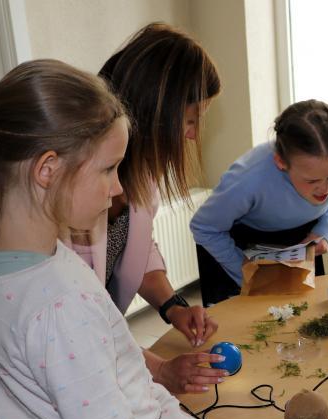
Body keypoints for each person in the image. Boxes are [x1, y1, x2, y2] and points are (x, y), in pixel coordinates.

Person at [0, 59, 326, 419]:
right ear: (48, 170)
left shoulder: (21, 259)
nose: (119, 187)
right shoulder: (57, 305)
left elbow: (121, 370)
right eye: (108, 169)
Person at [69, 22, 222, 394]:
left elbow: (136, 248)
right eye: (190, 120)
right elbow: (81, 323)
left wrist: (173, 305)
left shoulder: (139, 170)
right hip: (70, 362)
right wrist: (160, 370)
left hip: (98, 353)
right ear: (156, 112)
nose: (192, 135)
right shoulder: (77, 191)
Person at [191, 99, 328, 306]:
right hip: (237, 243)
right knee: (246, 320)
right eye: (312, 181)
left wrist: (323, 230)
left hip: (302, 239)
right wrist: (247, 274)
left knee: (306, 313)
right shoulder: (248, 180)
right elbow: (204, 227)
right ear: (281, 162)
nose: (325, 189)